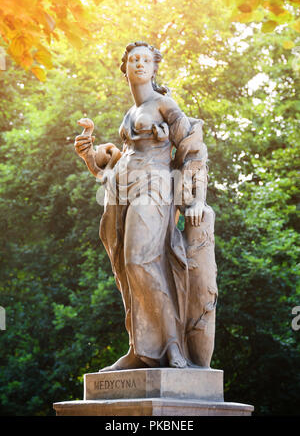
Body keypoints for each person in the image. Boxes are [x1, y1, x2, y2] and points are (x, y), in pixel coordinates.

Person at [74, 41, 217, 371]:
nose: (139, 64)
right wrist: (88, 154)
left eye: (145, 60)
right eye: (133, 60)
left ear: (154, 68)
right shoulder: (130, 114)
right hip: (122, 191)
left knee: (141, 262)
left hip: (153, 188)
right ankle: (139, 349)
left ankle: (172, 345)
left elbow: (193, 148)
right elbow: (111, 166)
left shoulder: (164, 104)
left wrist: (194, 199)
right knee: (126, 271)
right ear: (125, 68)